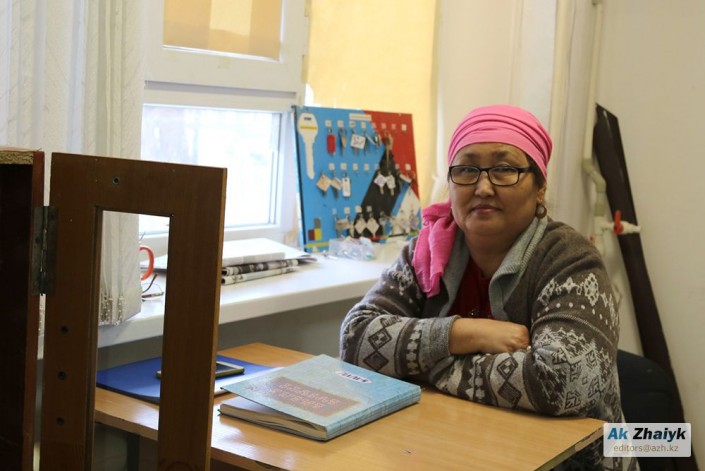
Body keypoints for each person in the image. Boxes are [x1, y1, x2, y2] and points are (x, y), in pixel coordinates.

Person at [340, 104, 636, 470]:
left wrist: (421, 365)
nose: (482, 187)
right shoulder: (425, 252)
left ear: (539, 186)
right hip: (451, 450)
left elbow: (561, 381)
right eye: (466, 170)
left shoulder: (570, 259)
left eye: (504, 169)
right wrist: (464, 333)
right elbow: (355, 339)